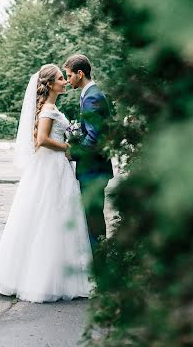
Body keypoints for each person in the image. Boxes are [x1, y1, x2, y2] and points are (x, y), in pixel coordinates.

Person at [0, 64, 92, 303]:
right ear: (49, 84)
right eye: (60, 79)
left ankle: (57, 274)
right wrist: (68, 146)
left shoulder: (52, 108)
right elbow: (42, 140)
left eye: (65, 78)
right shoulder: (47, 110)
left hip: (56, 166)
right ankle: (43, 280)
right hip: (52, 167)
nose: (65, 81)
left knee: (57, 217)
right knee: (50, 217)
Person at [63, 54, 113, 247]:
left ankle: (100, 264)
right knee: (93, 219)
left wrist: (72, 152)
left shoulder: (92, 97)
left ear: (80, 73)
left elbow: (94, 137)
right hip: (95, 169)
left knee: (93, 221)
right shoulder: (90, 94)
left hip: (93, 171)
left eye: (69, 75)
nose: (68, 80)